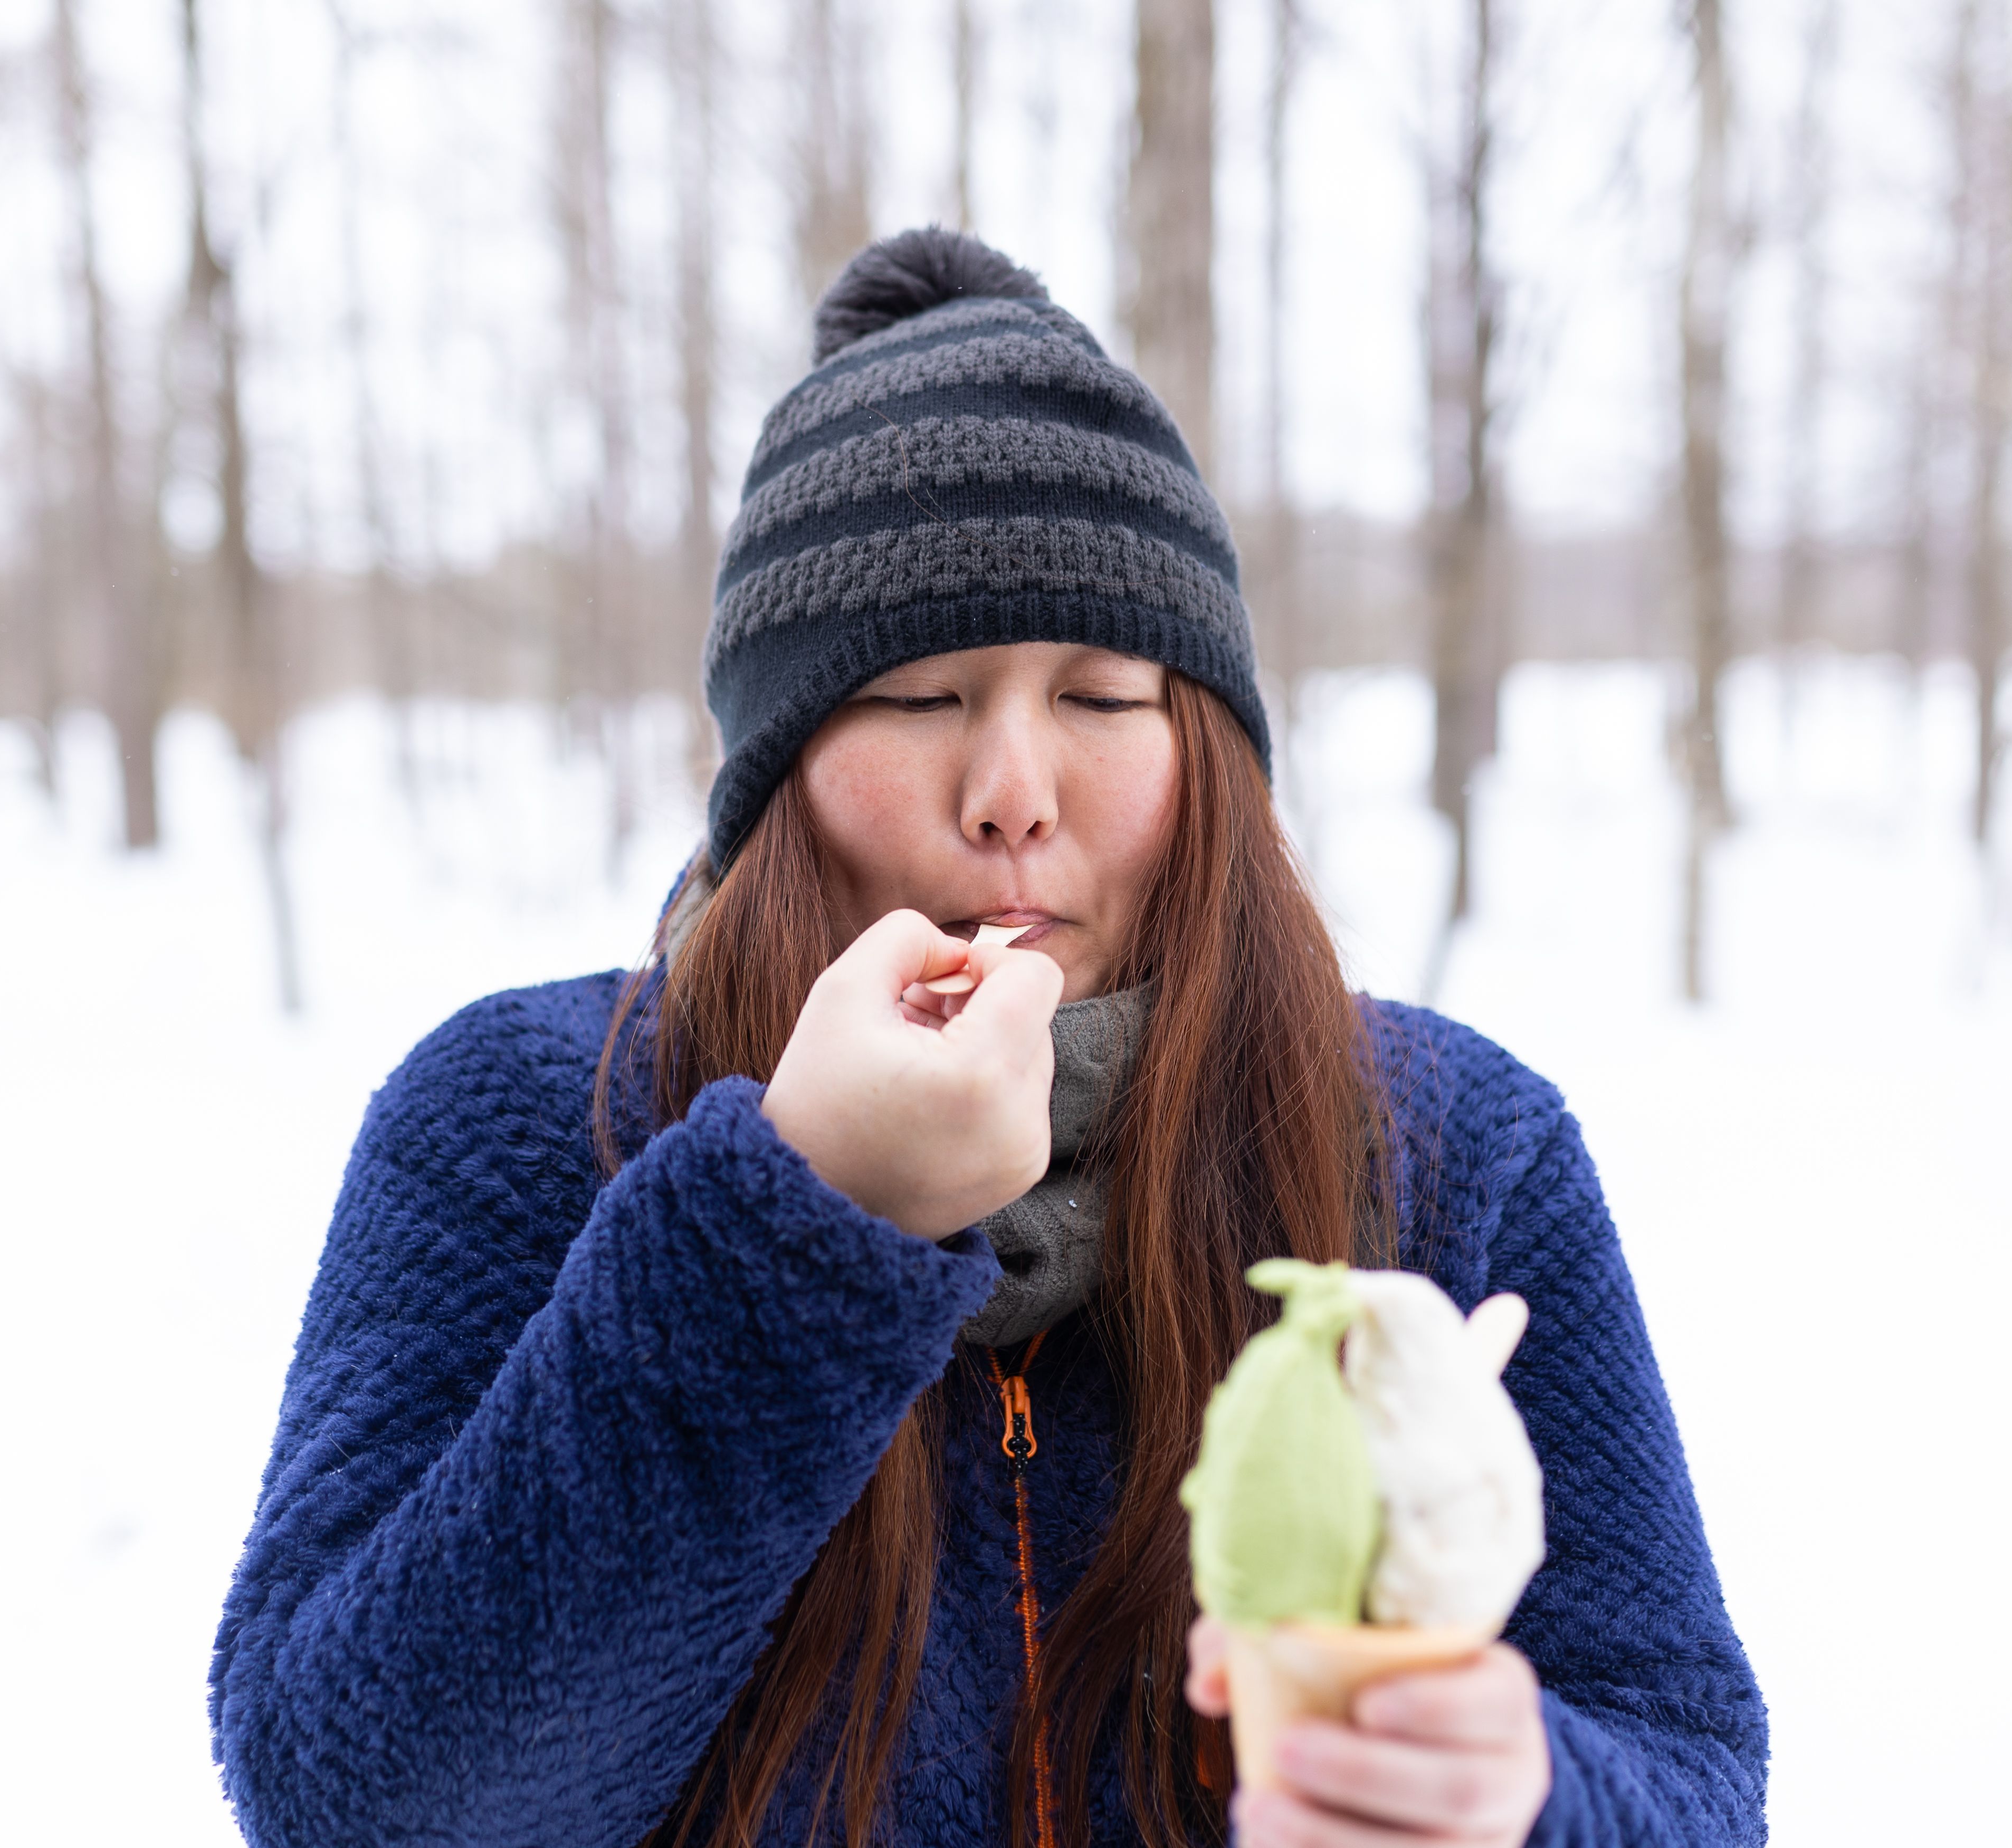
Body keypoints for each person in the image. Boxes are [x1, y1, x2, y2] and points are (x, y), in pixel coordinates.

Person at [209, 230, 1766, 1848]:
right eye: (918, 697)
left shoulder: (1445, 1145)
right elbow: (357, 1798)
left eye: (1102, 697)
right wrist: (794, 1223)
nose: (1014, 789)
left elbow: (1687, 1765)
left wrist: (1524, 1798)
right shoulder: (533, 1120)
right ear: (778, 770)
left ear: (1210, 757)